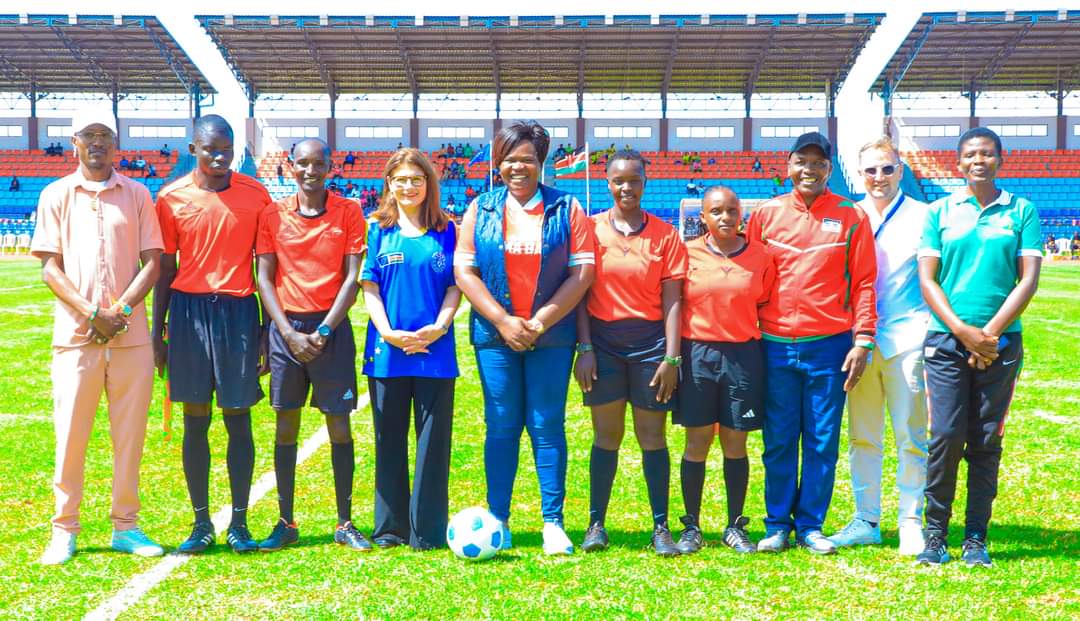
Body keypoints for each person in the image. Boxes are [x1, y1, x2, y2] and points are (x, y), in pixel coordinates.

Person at [454, 121, 595, 555]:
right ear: (498, 164)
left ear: (541, 162)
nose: (518, 167)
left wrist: (541, 321)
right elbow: (465, 272)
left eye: (527, 159)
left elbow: (582, 274)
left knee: (546, 425)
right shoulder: (482, 208)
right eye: (509, 159)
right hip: (496, 339)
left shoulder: (567, 207)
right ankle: (500, 519)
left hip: (550, 338)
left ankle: (553, 523)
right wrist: (502, 321)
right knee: (500, 427)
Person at [33, 109, 166, 566]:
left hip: (129, 339)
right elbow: (50, 266)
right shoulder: (56, 194)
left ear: (117, 143)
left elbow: (153, 261)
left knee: (129, 436)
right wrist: (92, 312)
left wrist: (121, 311)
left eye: (105, 135)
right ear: (74, 142)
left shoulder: (137, 194)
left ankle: (125, 526)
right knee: (71, 435)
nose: (97, 143)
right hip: (77, 337)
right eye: (89, 135)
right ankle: (64, 528)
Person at [916, 127, 1042, 567]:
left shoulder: (1022, 210)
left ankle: (975, 537)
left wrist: (987, 335)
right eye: (970, 154)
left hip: (1001, 343)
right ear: (958, 162)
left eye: (987, 154)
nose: (978, 160)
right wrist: (962, 332)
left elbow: (1027, 279)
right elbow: (928, 280)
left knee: (986, 440)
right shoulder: (939, 211)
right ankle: (935, 535)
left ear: (1000, 160)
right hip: (945, 340)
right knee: (946, 436)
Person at [747, 132, 877, 555]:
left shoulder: (851, 215)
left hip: (829, 346)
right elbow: (750, 278)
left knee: (822, 439)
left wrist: (863, 339)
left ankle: (810, 526)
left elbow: (864, 283)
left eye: (818, 163)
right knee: (780, 438)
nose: (809, 169)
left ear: (829, 169)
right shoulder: (765, 215)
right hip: (775, 344)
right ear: (788, 165)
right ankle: (777, 524)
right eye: (802, 161)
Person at [153, 115, 273, 555]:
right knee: (195, 419)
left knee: (238, 417)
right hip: (188, 314)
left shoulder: (256, 195)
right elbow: (165, 269)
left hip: (239, 313)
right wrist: (157, 335)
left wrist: (264, 330)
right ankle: (201, 523)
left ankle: (239, 523)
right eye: (210, 149)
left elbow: (266, 269)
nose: (220, 157)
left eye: (227, 148)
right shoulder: (170, 198)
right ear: (193, 149)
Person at [254, 138, 369, 552]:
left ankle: (345, 521)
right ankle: (286, 522)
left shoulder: (349, 211)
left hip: (330, 332)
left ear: (330, 166)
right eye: (302, 163)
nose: (309, 170)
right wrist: (285, 333)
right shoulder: (272, 214)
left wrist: (322, 332)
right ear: (290, 166)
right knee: (286, 424)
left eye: (317, 163)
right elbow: (264, 277)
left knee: (338, 423)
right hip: (286, 331)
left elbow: (352, 278)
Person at [574, 150, 687, 556]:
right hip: (602, 343)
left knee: (651, 437)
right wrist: (584, 347)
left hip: (650, 346)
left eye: (634, 180)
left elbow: (673, 300)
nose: (627, 187)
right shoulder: (590, 229)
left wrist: (671, 358)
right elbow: (581, 295)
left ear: (645, 182)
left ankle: (660, 528)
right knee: (607, 435)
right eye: (619, 180)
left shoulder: (665, 235)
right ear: (608, 184)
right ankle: (595, 524)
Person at [828, 137, 929, 556]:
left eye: (886, 169)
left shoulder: (925, 215)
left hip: (910, 337)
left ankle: (910, 519)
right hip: (859, 343)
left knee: (911, 434)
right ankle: (866, 518)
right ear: (858, 173)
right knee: (863, 435)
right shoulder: (848, 216)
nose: (879, 178)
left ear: (900, 170)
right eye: (870, 170)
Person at [363, 148, 461, 550]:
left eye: (416, 180)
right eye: (400, 179)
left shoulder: (446, 229)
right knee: (389, 440)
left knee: (432, 443)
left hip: (434, 352)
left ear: (428, 185)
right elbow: (369, 287)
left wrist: (438, 327)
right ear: (389, 183)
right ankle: (390, 528)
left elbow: (456, 286)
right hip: (388, 351)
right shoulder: (377, 229)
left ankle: (427, 531)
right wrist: (387, 333)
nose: (408, 186)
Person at [676, 185, 775, 555]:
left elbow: (765, 301)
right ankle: (692, 526)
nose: (725, 217)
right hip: (698, 354)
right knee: (697, 441)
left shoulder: (761, 257)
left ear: (742, 215)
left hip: (744, 356)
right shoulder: (687, 255)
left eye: (731, 211)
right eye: (716, 211)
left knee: (736, 440)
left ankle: (735, 525)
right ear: (702, 217)